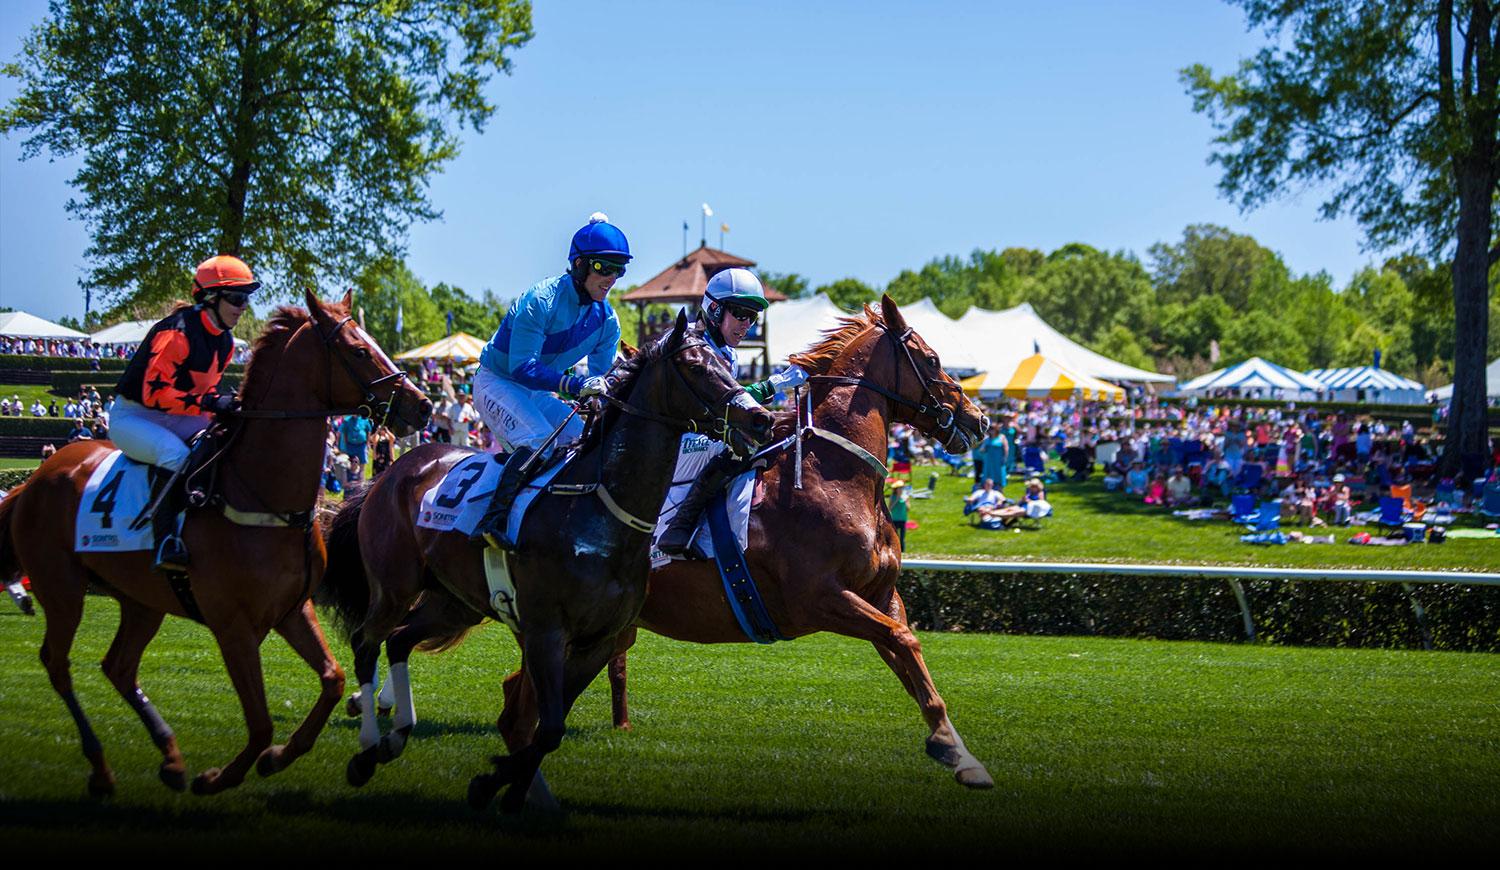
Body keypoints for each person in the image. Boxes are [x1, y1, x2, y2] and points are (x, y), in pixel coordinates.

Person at [469, 213, 631, 549]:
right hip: (497, 382)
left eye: (619, 269)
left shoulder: (608, 322)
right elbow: (521, 369)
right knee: (540, 439)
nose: (612, 278)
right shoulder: (540, 300)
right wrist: (574, 387)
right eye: (604, 268)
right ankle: (492, 520)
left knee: (588, 443)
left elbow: (600, 383)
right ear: (580, 265)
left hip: (535, 393)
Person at [112, 254, 253, 571]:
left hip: (174, 416)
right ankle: (164, 541)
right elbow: (156, 393)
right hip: (134, 417)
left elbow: (205, 392)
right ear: (211, 297)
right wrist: (209, 403)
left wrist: (225, 403)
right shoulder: (176, 332)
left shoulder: (225, 342)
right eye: (236, 297)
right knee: (175, 454)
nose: (243, 306)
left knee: (224, 443)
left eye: (246, 299)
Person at [656, 268, 806, 556]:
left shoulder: (729, 355)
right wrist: (777, 383)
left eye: (753, 317)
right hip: (671, 439)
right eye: (740, 314)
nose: (747, 324)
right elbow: (720, 406)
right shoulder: (689, 344)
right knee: (736, 445)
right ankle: (680, 524)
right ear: (714, 309)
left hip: (695, 435)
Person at [888, 480, 910, 551]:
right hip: (895, 519)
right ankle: (894, 549)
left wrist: (906, 502)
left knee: (902, 537)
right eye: (900, 488)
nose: (901, 490)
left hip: (903, 519)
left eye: (902, 488)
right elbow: (890, 508)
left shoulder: (905, 497)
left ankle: (902, 550)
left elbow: (908, 509)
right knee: (895, 536)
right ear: (896, 489)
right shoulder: (893, 497)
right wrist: (897, 499)